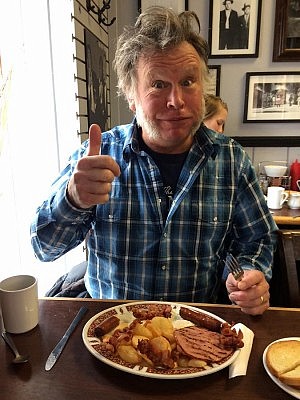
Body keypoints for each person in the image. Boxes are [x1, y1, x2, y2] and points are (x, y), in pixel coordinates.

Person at [30, 6, 277, 315]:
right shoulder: (96, 156)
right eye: (159, 84)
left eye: (188, 82)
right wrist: (73, 199)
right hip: (110, 333)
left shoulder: (232, 161)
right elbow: (43, 247)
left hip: (197, 334)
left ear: (203, 87)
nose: (177, 101)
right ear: (131, 96)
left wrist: (247, 274)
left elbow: (258, 237)